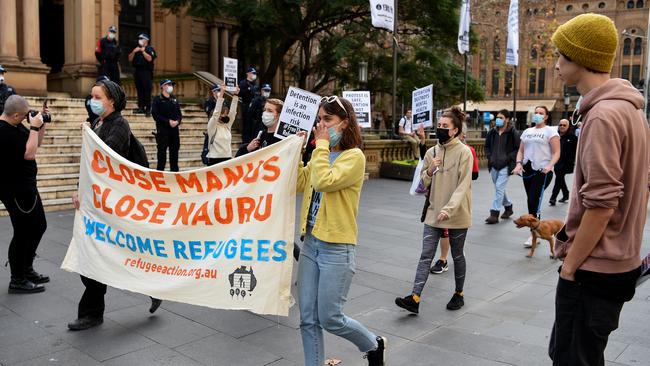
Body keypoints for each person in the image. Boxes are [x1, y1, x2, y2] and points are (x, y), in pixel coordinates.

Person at [548, 14, 649, 365]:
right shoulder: (630, 110)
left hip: (594, 268)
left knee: (572, 358)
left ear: (581, 58)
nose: (557, 64)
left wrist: (570, 267)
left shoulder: (603, 116)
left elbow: (602, 204)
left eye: (561, 55)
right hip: (615, 264)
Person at [295, 95, 386, 366]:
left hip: (337, 247)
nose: (321, 125)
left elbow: (323, 181)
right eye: (319, 119)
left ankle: (372, 344)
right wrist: (299, 153)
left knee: (330, 318)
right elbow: (301, 183)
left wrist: (319, 146)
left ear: (344, 123)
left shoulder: (354, 157)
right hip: (311, 243)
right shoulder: (322, 153)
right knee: (307, 317)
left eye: (328, 120)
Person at [69, 80, 161, 330]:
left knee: (105, 254)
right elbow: (89, 165)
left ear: (111, 101)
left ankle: (92, 312)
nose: (92, 100)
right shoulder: (100, 124)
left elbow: (104, 160)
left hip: (113, 204)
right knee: (106, 254)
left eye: (97, 96)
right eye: (92, 96)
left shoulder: (119, 124)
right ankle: (150, 287)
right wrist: (80, 190)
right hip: (100, 203)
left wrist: (89, 138)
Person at [395, 107, 473, 313]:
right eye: (439, 126)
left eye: (445, 127)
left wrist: (449, 209)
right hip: (433, 212)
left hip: (457, 214)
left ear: (455, 130)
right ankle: (414, 297)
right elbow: (421, 185)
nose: (440, 129)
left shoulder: (464, 152)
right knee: (425, 255)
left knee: (457, 256)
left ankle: (459, 293)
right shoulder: (432, 152)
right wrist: (429, 170)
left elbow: (463, 185)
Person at [0, 95, 48, 294]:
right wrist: (34, 128)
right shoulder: (3, 131)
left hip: (27, 186)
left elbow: (36, 145)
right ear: (16, 115)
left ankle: (26, 269)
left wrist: (41, 125)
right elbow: (28, 154)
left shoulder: (15, 124)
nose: (27, 118)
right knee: (23, 232)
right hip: (15, 189)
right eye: (24, 115)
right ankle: (17, 278)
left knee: (39, 226)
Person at [512, 105, 560, 247]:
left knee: (534, 200)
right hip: (528, 169)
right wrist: (518, 164)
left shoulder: (550, 131)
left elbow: (557, 152)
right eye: (536, 113)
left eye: (541, 113)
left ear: (546, 116)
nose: (537, 115)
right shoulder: (527, 131)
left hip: (543, 170)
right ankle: (535, 232)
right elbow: (521, 150)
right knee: (530, 200)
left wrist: (550, 166)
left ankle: (535, 233)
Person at [484, 109, 520, 224]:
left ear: (507, 119)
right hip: (494, 164)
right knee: (499, 188)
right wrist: (490, 157)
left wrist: (509, 158)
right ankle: (508, 207)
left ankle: (494, 213)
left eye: (501, 118)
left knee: (499, 187)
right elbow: (487, 146)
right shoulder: (492, 132)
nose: (498, 120)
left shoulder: (513, 132)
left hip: (506, 165)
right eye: (497, 118)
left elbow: (517, 148)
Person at [151, 79, 182, 172]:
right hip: (163, 132)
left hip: (174, 132)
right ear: (163, 86)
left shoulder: (174, 99)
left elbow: (179, 114)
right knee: (161, 155)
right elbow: (155, 115)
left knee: (174, 155)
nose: (170, 86)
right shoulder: (157, 100)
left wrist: (177, 121)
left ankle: (175, 173)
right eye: (168, 84)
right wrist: (168, 121)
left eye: (171, 84)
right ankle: (160, 173)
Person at [206, 84, 239, 165]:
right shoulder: (212, 126)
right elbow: (216, 113)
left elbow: (233, 112)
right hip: (214, 160)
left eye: (226, 114)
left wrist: (235, 95)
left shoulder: (227, 126)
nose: (226, 116)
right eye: (223, 114)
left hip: (227, 158)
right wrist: (221, 94)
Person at [549, 119, 577, 206]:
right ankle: (566, 194)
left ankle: (553, 198)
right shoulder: (555, 136)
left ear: (568, 127)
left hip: (566, 162)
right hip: (557, 161)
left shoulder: (573, 137)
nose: (562, 127)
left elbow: (576, 150)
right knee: (560, 178)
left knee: (558, 179)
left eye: (564, 125)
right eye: (560, 125)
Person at [128, 33, 156, 116]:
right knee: (139, 90)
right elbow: (130, 58)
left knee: (147, 90)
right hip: (137, 71)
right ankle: (141, 107)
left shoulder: (149, 48)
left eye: (141, 38)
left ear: (146, 40)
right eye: (139, 38)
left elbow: (150, 58)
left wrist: (143, 51)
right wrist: (134, 51)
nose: (139, 40)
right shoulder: (136, 49)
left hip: (146, 72)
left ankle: (148, 108)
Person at [239, 67, 259, 143]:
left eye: (255, 73)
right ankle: (245, 141)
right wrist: (248, 89)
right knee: (246, 125)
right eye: (253, 73)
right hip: (246, 106)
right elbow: (240, 93)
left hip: (254, 107)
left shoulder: (255, 84)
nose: (254, 75)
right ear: (248, 74)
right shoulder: (243, 83)